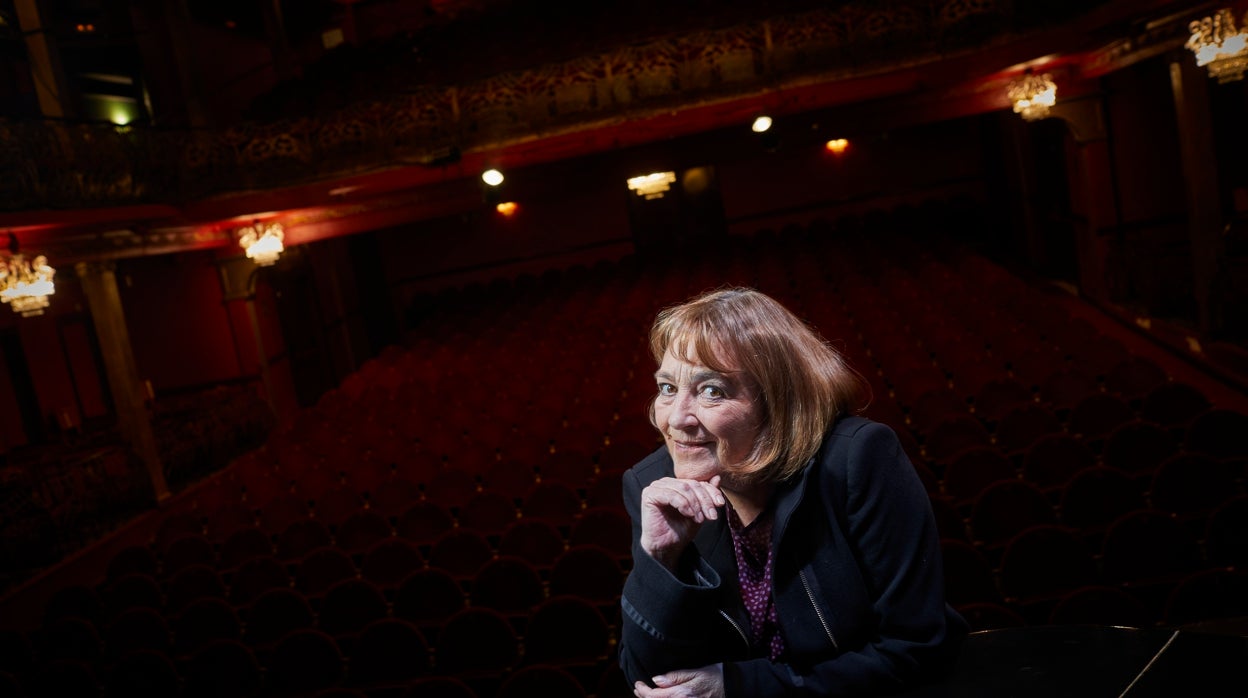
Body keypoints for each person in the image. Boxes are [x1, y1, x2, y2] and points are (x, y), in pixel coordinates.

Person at [619, 287, 966, 698]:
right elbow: (648, 679)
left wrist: (743, 686)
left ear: (778, 401)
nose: (676, 419)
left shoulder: (857, 460)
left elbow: (917, 648)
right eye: (667, 388)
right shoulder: (651, 484)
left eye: (712, 390)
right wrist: (660, 561)